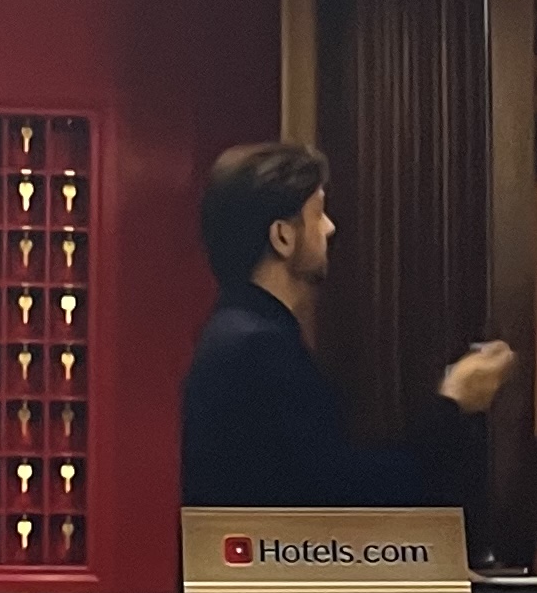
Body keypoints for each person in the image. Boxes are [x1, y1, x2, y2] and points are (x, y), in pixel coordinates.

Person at [177, 141, 514, 509]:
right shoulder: (257, 347)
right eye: (318, 213)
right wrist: (455, 403)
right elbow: (341, 494)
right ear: (282, 236)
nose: (330, 227)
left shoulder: (237, 334)